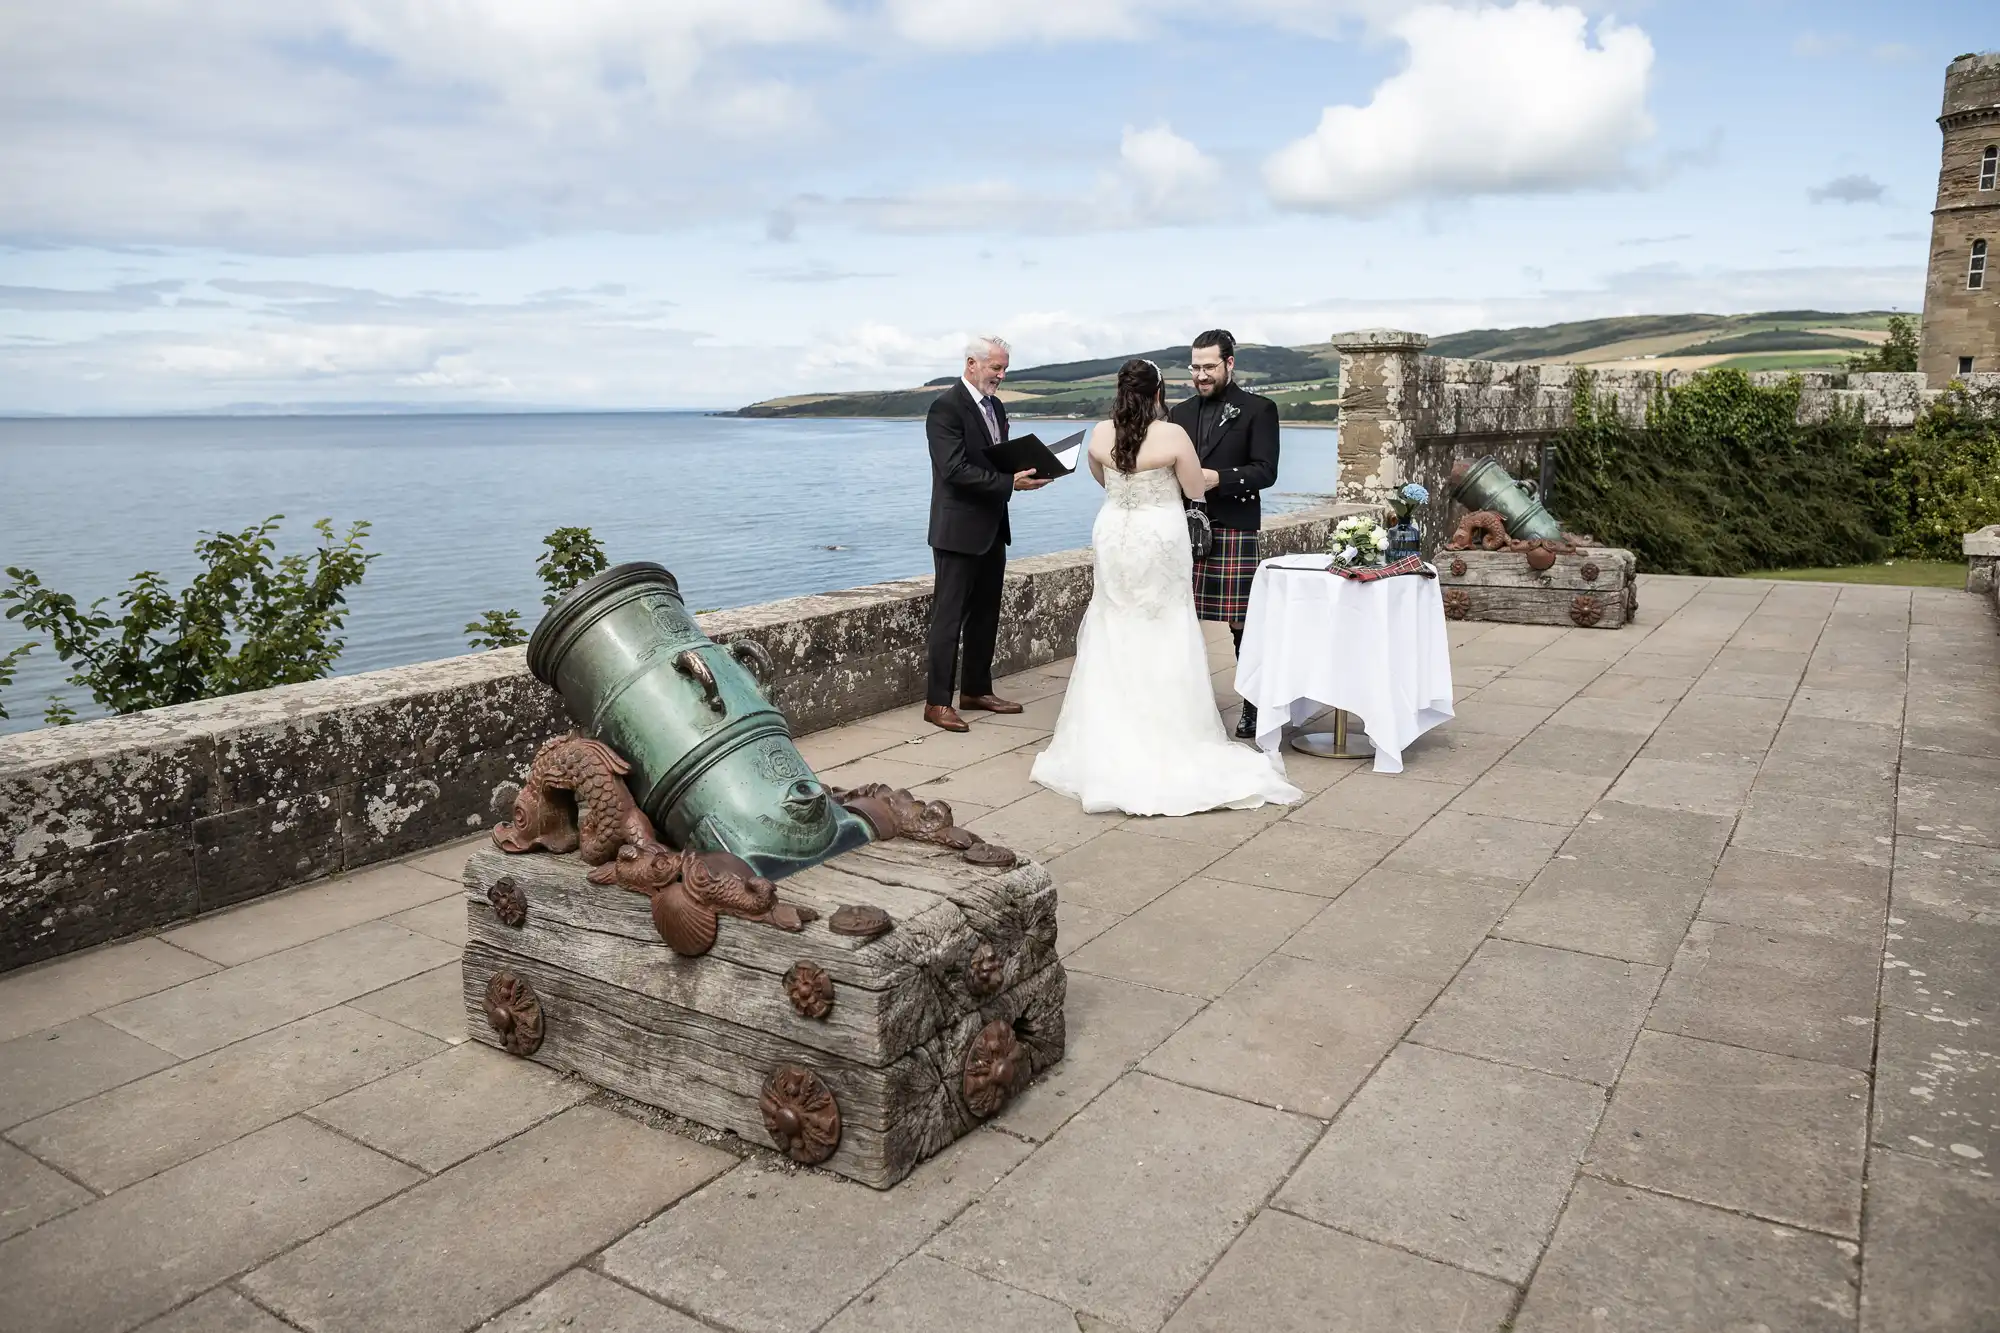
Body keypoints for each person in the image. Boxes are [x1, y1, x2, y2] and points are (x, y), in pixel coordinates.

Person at [1031, 360, 1302, 815]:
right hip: (1159, 534)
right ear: (1158, 392)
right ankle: (1169, 734)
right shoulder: (1173, 435)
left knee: (1114, 619)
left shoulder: (1098, 433)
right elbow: (1195, 490)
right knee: (1165, 622)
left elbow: (1104, 481)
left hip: (1114, 532)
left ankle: (1106, 736)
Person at [923, 334, 1050, 733]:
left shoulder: (994, 406)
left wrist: (1031, 468)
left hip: (993, 525)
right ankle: (937, 702)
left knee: (986, 615)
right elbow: (954, 469)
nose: (1001, 375)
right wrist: (1010, 484)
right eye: (996, 367)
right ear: (972, 364)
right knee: (949, 618)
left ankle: (976, 690)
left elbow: (997, 458)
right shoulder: (944, 408)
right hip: (957, 529)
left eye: (1004, 368)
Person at [1167, 329, 1280, 739]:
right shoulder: (1178, 414)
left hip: (1233, 527)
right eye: (1195, 367)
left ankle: (1253, 706)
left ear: (1229, 364)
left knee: (1243, 623)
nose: (1201, 374)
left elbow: (1266, 471)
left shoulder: (1258, 409)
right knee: (1177, 619)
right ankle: (1183, 702)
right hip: (1182, 528)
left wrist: (1220, 478)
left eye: (1209, 366)